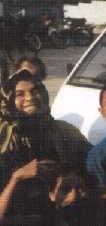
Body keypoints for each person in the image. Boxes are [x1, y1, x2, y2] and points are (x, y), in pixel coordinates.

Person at [0, 71, 92, 223]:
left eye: (34, 91)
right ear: (9, 99)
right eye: (20, 94)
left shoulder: (64, 131)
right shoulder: (4, 137)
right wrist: (16, 178)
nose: (30, 98)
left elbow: (89, 162)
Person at [0, 164, 106, 226]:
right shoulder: (43, 221)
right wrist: (15, 179)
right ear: (51, 194)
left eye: (79, 189)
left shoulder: (99, 213)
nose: (73, 196)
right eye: (65, 189)